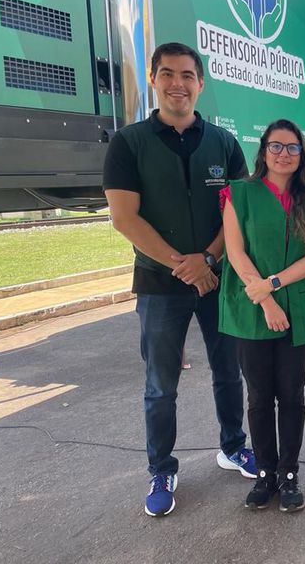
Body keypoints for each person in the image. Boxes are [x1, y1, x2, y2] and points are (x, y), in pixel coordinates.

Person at [103, 42, 256, 518]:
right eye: (167, 73)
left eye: (188, 75)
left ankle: (233, 447)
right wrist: (182, 265)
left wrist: (207, 261)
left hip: (217, 281)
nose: (178, 84)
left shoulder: (224, 143)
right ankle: (161, 469)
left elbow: (238, 213)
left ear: (200, 83)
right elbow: (125, 218)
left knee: (229, 371)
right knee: (160, 385)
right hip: (159, 284)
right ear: (153, 79)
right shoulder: (128, 143)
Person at [220, 119, 305, 513]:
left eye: (292, 147)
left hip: (297, 307)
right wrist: (264, 299)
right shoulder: (239, 193)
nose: (284, 154)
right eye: (276, 146)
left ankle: (289, 473)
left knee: (292, 394)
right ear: (263, 151)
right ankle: (265, 473)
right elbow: (235, 252)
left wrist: (274, 284)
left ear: (302, 155)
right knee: (260, 396)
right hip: (252, 310)